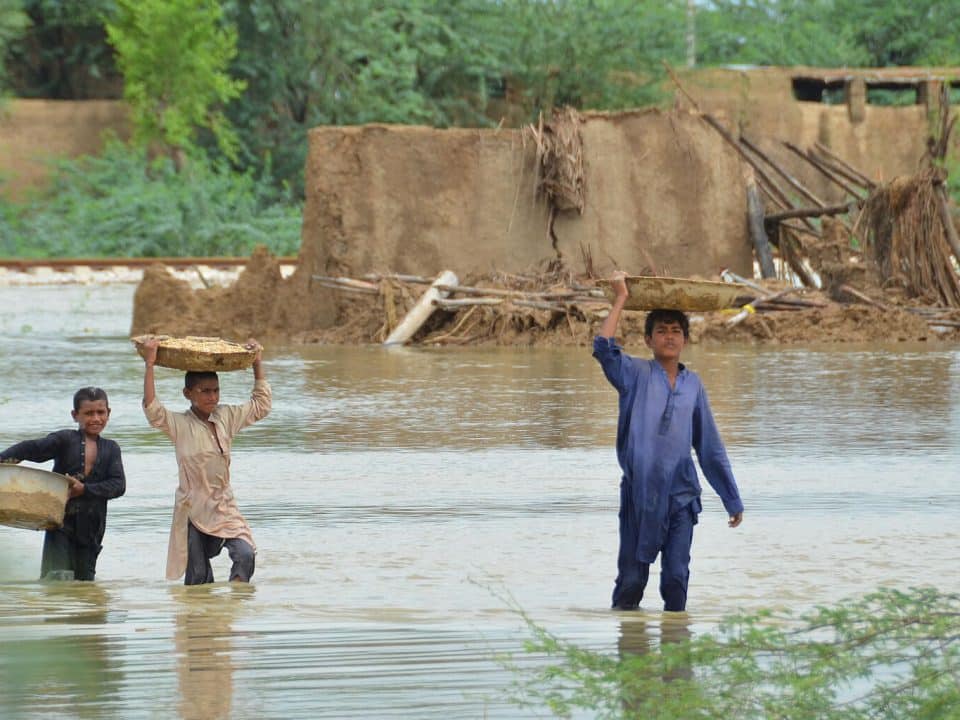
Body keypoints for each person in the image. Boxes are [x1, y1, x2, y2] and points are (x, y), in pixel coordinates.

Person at [593, 270, 743, 612]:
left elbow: (709, 448)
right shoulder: (633, 375)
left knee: (676, 579)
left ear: (685, 341)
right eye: (661, 331)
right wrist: (621, 298)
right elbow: (603, 348)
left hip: (681, 496)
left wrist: (731, 498)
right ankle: (628, 653)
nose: (669, 337)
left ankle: (676, 659)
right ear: (648, 340)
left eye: (676, 331)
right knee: (631, 582)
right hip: (639, 494)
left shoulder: (693, 385)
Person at [141, 338, 271, 585]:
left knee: (245, 555)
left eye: (216, 390)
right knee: (199, 579)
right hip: (193, 511)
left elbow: (261, 405)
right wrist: (150, 363)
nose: (212, 397)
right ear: (188, 394)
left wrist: (257, 362)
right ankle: (201, 621)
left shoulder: (226, 417)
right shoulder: (179, 424)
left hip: (224, 506)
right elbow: (152, 409)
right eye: (205, 391)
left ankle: (232, 611)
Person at [0, 387, 126, 581]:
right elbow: (30, 448)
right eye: (88, 413)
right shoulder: (64, 440)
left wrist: (84, 489)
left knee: (85, 582)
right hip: (60, 523)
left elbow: (118, 485)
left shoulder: (112, 449)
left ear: (109, 413)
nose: (95, 418)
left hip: (92, 529)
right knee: (56, 578)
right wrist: (3, 460)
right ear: (75, 415)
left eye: (100, 412)